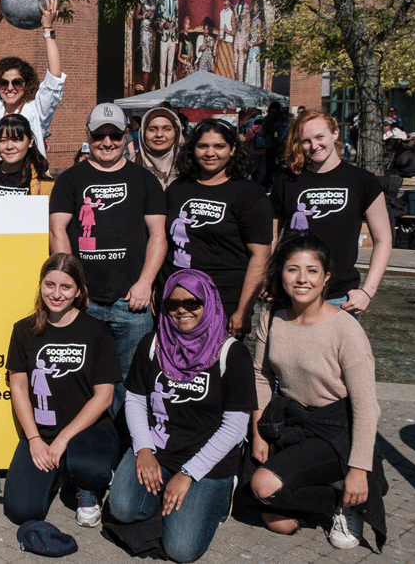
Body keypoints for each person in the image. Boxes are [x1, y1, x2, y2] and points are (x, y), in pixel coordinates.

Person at [249, 233, 386, 550]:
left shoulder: (345, 329)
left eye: (312, 271)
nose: (301, 279)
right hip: (290, 420)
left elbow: (367, 408)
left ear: (326, 278)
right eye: (292, 269)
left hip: (335, 428)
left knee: (264, 484)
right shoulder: (273, 317)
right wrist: (258, 432)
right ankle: (328, 489)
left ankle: (349, 498)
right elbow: (260, 375)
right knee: (279, 523)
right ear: (280, 273)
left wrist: (358, 470)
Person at [108, 269, 255, 563]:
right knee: (122, 509)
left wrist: (188, 474)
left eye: (192, 303)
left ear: (209, 302)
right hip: (159, 448)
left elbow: (236, 427)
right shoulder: (152, 344)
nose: (181, 311)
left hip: (207, 460)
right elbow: (136, 400)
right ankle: (170, 501)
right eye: (173, 304)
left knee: (181, 550)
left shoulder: (232, 354)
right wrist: (144, 449)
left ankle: (215, 498)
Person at [49, 103, 167, 412]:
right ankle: (90, 450)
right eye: (100, 134)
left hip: (131, 303)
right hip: (85, 302)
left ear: (126, 135)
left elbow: (158, 235)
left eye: (114, 135)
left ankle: (128, 450)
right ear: (88, 135)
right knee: (82, 380)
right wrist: (71, 287)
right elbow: (58, 231)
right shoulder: (70, 180)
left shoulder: (145, 180)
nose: (107, 142)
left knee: (132, 384)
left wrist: (145, 284)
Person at [3, 254, 121, 529]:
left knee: (91, 468)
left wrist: (64, 439)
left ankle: (86, 488)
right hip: (43, 431)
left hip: (86, 430)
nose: (56, 294)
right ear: (41, 285)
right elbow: (18, 386)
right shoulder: (24, 330)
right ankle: (60, 472)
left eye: (65, 287)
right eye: (49, 284)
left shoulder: (97, 331)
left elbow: (103, 397)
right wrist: (34, 439)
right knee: (21, 512)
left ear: (78, 290)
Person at [271, 110, 391, 313]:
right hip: (290, 293)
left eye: (319, 137)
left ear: (335, 133)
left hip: (339, 298)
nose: (314, 145)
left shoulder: (362, 181)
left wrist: (367, 292)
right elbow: (271, 237)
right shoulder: (286, 180)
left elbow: (383, 239)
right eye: (305, 141)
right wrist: (268, 280)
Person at [165, 119, 271, 336]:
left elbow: (260, 256)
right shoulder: (178, 189)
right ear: (192, 149)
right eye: (202, 146)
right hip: (177, 298)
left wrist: (243, 310)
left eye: (219, 146)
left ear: (233, 149)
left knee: (215, 367)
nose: (210, 153)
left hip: (224, 299)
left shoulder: (249, 193)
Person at [0, 0, 65, 154]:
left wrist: (48, 29)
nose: (10, 88)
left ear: (26, 84)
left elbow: (54, 77)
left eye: (17, 83)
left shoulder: (36, 110)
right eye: (4, 83)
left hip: (24, 178)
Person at [0, 114, 55, 197]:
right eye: (3, 140)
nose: (9, 147)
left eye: (16, 140)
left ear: (30, 142)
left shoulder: (45, 183)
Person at [131, 107, 184, 190]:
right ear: (143, 133)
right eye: (152, 129)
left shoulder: (189, 165)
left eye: (167, 129)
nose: (159, 134)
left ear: (176, 133)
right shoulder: (131, 165)